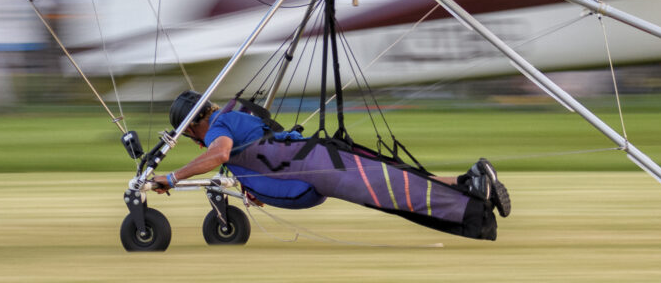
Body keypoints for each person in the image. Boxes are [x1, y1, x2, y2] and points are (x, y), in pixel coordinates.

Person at [151, 90, 511, 240]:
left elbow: (219, 156)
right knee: (392, 174)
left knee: (393, 190)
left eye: (189, 134)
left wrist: (172, 177)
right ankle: (471, 181)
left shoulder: (219, 126)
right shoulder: (231, 115)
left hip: (315, 165)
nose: (195, 140)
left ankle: (471, 203)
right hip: (315, 158)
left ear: (196, 122)